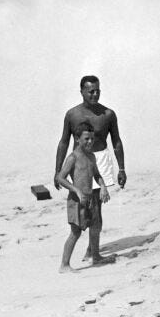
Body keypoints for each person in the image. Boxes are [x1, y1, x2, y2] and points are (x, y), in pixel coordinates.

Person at [54, 75, 125, 262]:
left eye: (97, 90)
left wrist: (122, 169)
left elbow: (116, 141)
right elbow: (63, 142)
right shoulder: (72, 114)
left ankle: (92, 251)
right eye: (91, 91)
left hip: (99, 159)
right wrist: (57, 170)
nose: (95, 94)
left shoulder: (108, 114)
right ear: (82, 92)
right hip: (78, 161)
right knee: (85, 206)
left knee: (97, 206)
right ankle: (89, 251)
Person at [57, 123, 110, 272]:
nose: (90, 142)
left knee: (96, 226)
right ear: (77, 138)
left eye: (92, 139)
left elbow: (97, 175)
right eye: (86, 138)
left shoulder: (91, 156)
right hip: (76, 200)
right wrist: (77, 191)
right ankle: (64, 265)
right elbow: (60, 178)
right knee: (76, 232)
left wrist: (103, 187)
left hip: (90, 198)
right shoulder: (73, 157)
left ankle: (96, 256)